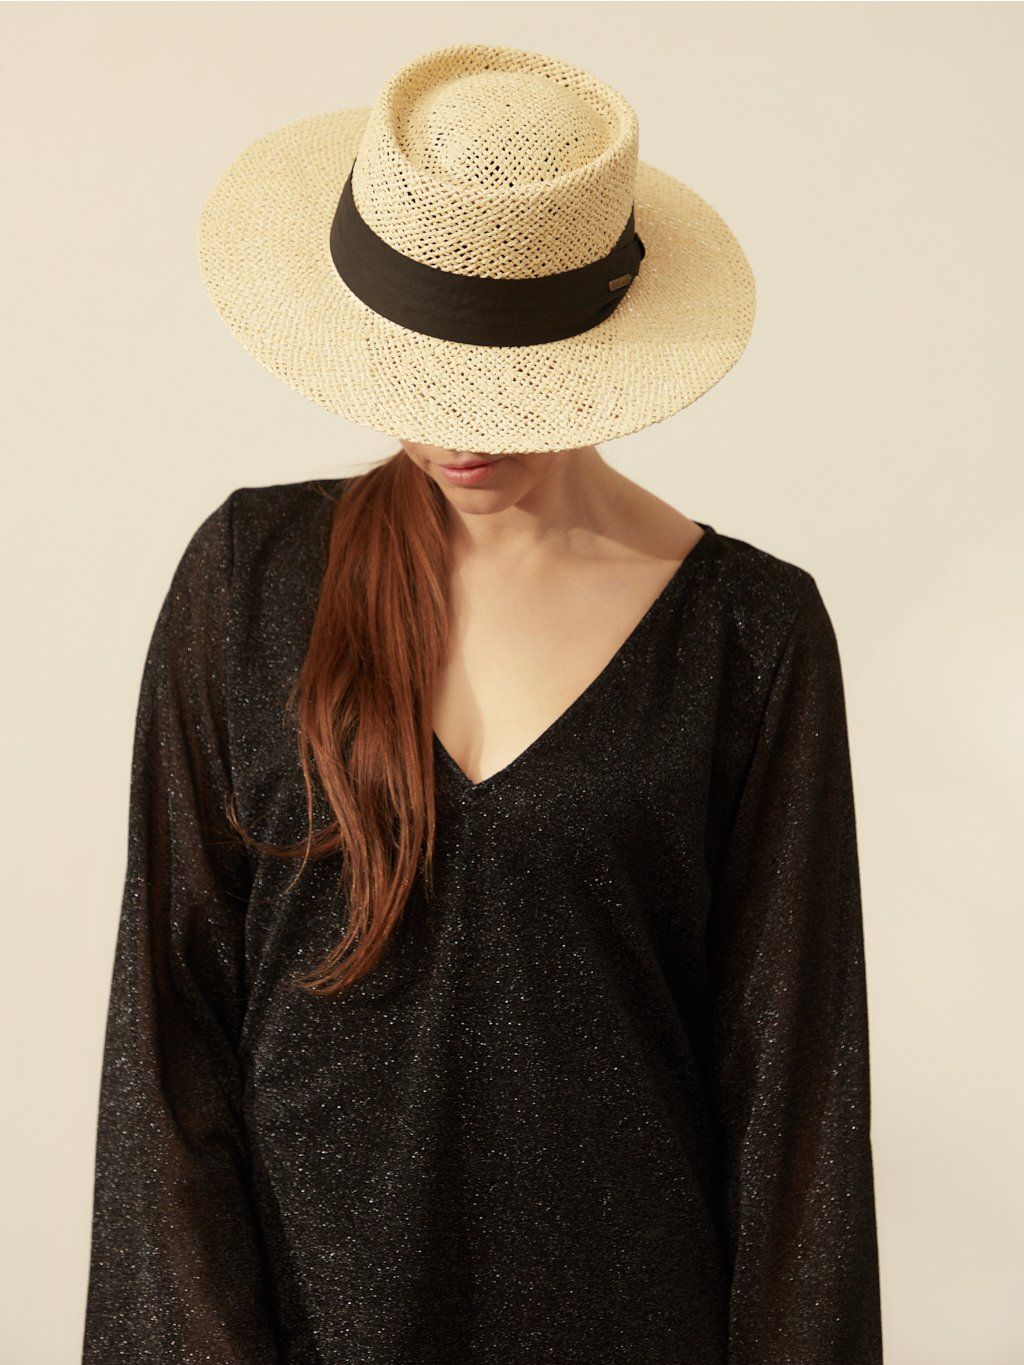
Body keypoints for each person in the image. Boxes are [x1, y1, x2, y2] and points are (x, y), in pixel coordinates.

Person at [82, 42, 883, 1364]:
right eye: (427, 370)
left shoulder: (750, 636)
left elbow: (796, 1097)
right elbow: (171, 1045)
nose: (465, 431)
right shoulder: (249, 582)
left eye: (507, 376)